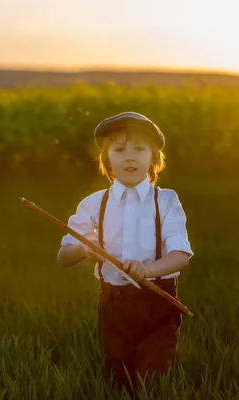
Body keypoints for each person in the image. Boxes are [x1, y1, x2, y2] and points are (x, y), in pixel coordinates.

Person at [56, 111, 194, 396]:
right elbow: (64, 256)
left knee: (152, 379)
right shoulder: (95, 204)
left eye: (139, 149)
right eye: (119, 150)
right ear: (106, 161)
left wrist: (149, 270)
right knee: (117, 379)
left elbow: (181, 255)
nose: (129, 157)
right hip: (114, 305)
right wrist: (84, 248)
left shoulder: (166, 200)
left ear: (154, 158)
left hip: (159, 301)